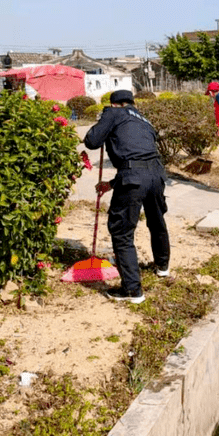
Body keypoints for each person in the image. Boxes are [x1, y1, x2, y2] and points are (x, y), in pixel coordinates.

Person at [84, 90, 171, 304]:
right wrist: (112, 184)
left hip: (135, 175)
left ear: (115, 104)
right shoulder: (144, 119)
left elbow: (92, 141)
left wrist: (105, 117)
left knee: (121, 232)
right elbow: (139, 155)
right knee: (157, 220)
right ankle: (162, 266)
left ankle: (133, 291)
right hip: (157, 174)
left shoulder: (114, 113)